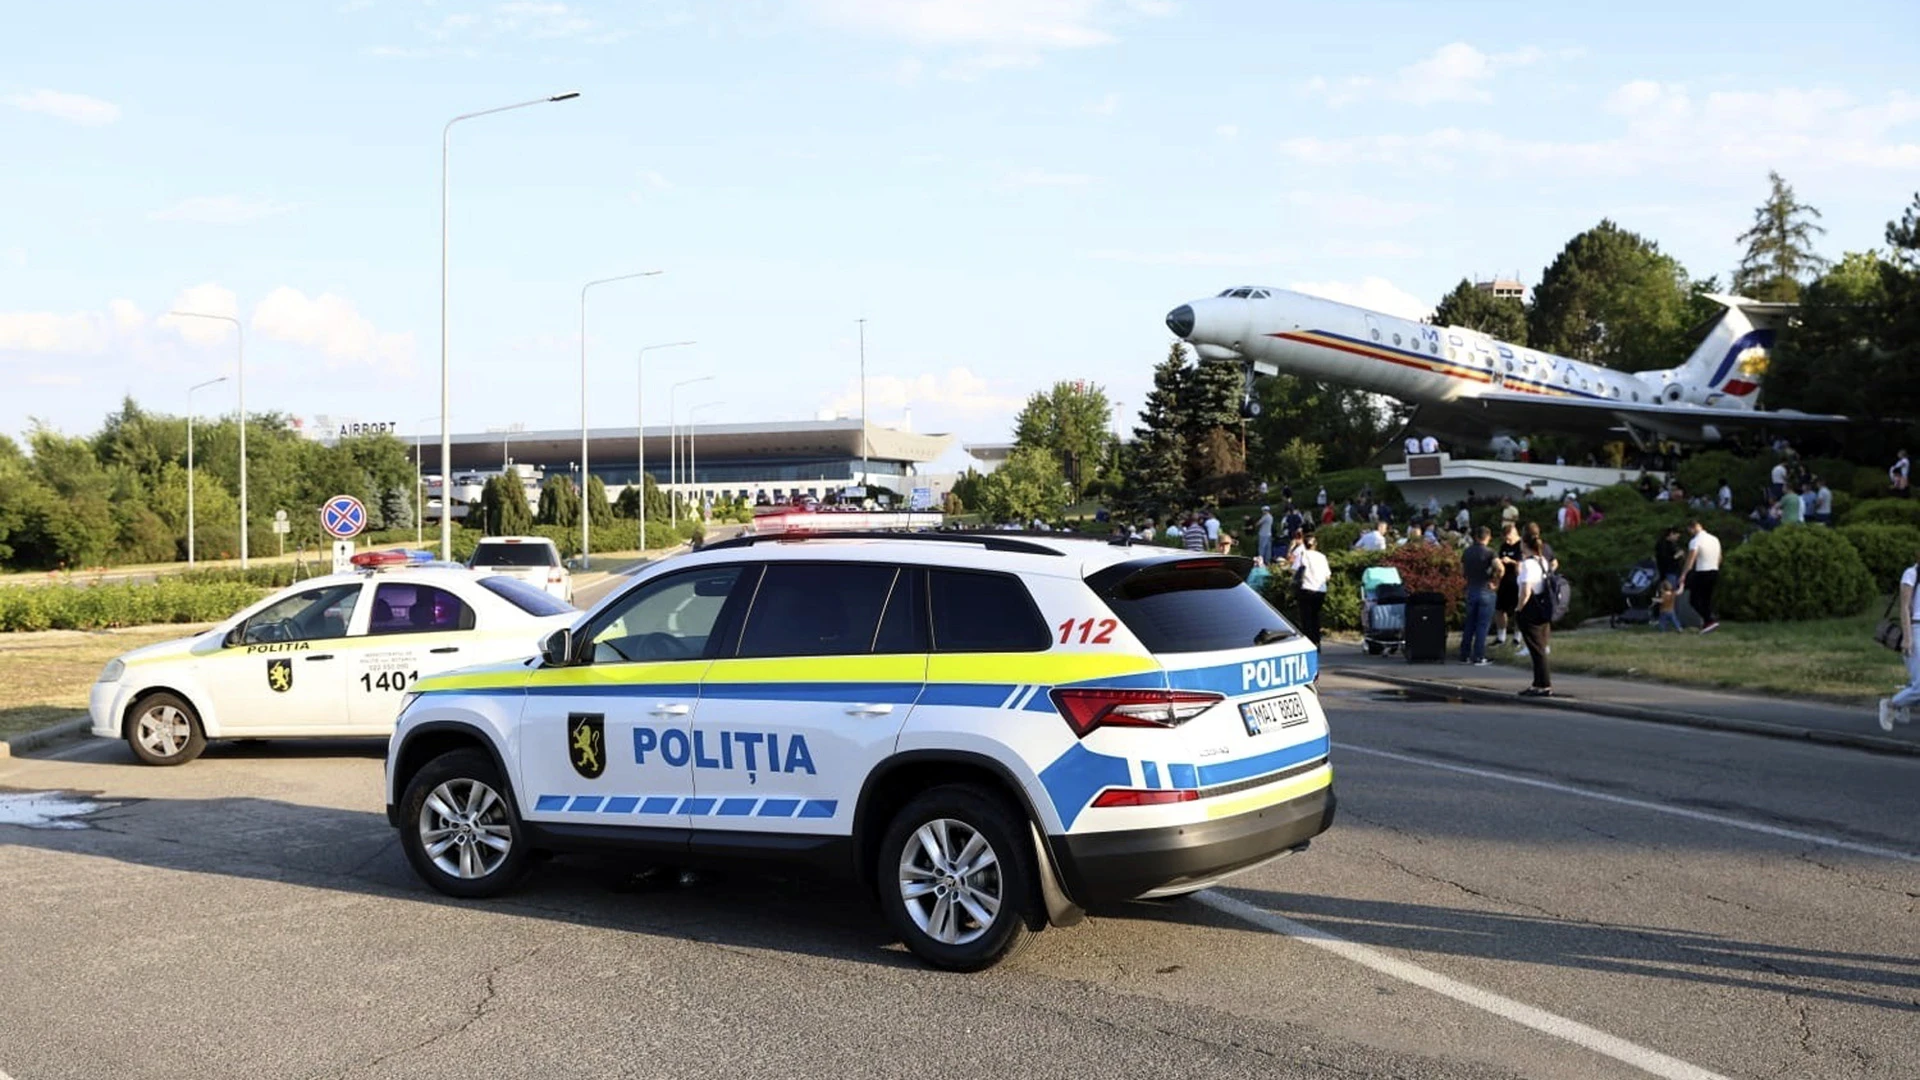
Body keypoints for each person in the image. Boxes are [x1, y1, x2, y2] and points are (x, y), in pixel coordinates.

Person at [1880, 547, 1920, 730]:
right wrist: (1907, 638)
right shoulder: (1911, 574)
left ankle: (1903, 703)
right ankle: (1892, 705)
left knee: (1916, 681)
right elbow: (1904, 607)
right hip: (1916, 628)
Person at [1514, 531, 1555, 696]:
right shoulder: (1543, 561)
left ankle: (1544, 684)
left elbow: (1525, 591)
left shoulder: (1528, 565)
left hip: (1530, 608)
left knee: (1536, 649)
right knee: (1539, 647)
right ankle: (1538, 683)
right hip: (1543, 605)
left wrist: (1519, 608)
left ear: (1524, 544)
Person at [1459, 526, 1500, 665]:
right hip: (1486, 589)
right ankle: (1479, 655)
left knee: (1470, 623)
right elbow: (1499, 567)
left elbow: (1461, 570)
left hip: (1471, 588)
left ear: (1475, 537)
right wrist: (1496, 582)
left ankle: (1464, 654)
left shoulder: (1467, 552)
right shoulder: (1490, 553)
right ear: (1488, 537)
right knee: (1482, 625)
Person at [1679, 518, 1722, 633]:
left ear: (1691, 528)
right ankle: (1708, 621)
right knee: (1706, 599)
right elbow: (1719, 557)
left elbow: (1691, 558)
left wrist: (1684, 574)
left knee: (1694, 599)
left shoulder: (1695, 541)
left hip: (1702, 571)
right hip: (1714, 569)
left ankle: (1709, 620)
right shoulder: (1714, 539)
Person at [1294, 533, 1330, 647]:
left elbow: (1294, 570)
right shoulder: (1322, 556)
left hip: (1306, 588)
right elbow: (1328, 575)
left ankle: (1309, 642)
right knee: (1315, 616)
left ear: (1304, 544)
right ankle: (1317, 640)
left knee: (1306, 616)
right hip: (1320, 589)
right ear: (1316, 544)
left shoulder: (1302, 554)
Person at [1493, 520, 1523, 646]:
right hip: (1504, 580)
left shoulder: (1521, 545)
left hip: (1517, 580)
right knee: (1500, 609)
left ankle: (1517, 637)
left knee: (1518, 610)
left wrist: (1512, 561)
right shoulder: (1504, 546)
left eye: (1509, 537)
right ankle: (1501, 636)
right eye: (1505, 538)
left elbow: (1522, 564)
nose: (1507, 541)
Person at [1654, 524, 1684, 589]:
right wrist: (1676, 556)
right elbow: (1663, 560)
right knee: (1670, 592)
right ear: (1671, 534)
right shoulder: (1662, 545)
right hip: (1669, 572)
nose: (1678, 537)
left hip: (1676, 571)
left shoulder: (1673, 544)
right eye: (1676, 534)